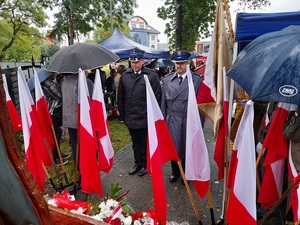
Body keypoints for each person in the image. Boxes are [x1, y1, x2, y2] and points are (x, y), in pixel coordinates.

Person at [117, 48, 161, 177]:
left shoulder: (151, 76)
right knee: (135, 142)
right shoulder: (125, 76)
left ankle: (145, 164)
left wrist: (154, 116)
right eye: (132, 62)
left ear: (142, 61)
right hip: (130, 116)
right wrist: (122, 114)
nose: (134, 64)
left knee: (144, 141)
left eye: (137, 62)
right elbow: (121, 96)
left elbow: (157, 96)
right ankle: (137, 163)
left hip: (145, 116)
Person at [161, 50, 202, 183]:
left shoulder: (196, 80)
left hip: (187, 120)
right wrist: (163, 121)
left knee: (186, 147)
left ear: (188, 63)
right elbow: (163, 102)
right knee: (173, 147)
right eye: (177, 63)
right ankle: (175, 172)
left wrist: (199, 125)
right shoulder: (168, 79)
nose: (179, 66)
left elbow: (200, 105)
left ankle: (186, 172)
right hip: (171, 119)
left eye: (182, 63)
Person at [62, 73, 94, 162]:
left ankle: (78, 164)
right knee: (86, 145)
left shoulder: (65, 82)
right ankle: (85, 166)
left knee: (74, 143)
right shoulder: (86, 82)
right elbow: (92, 100)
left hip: (69, 118)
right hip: (82, 120)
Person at [41, 71, 70, 165]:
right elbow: (60, 95)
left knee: (58, 133)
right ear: (48, 74)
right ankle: (54, 157)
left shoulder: (50, 81)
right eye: (54, 73)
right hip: (51, 113)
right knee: (54, 135)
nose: (56, 74)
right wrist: (61, 83)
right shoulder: (47, 83)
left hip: (54, 112)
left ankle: (57, 153)